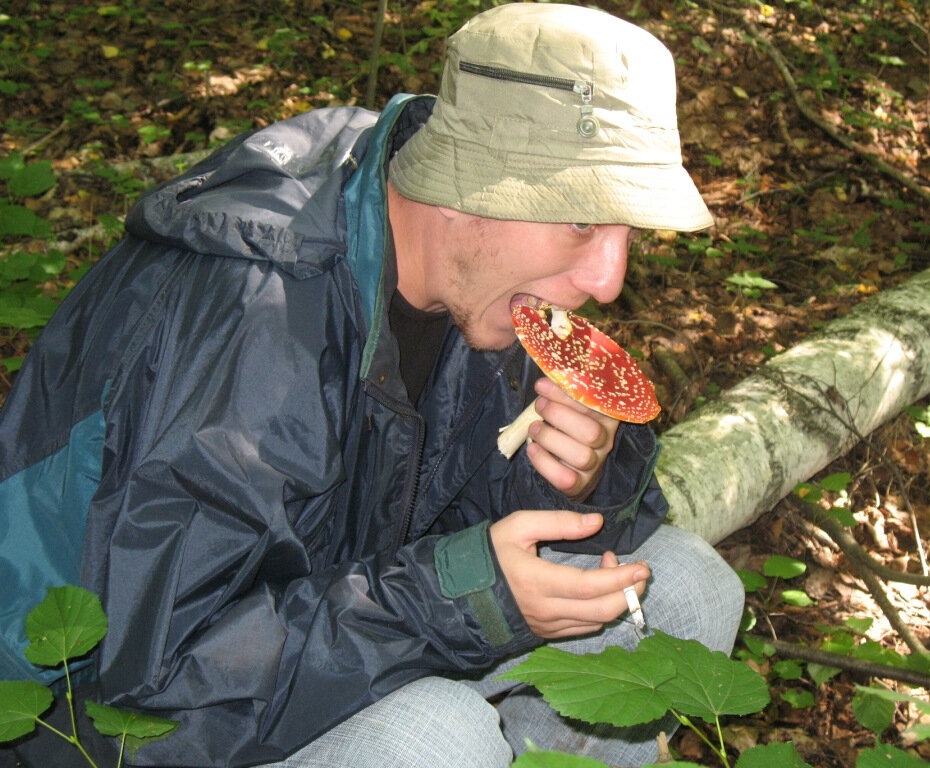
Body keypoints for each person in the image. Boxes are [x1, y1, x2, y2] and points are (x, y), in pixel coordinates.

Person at [0, 4, 743, 767]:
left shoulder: (485, 283)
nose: (609, 280)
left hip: (326, 646)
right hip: (85, 725)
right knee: (435, 736)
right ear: (467, 187)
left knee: (685, 589)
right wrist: (452, 598)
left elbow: (513, 532)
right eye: (584, 222)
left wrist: (581, 476)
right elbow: (157, 685)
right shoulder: (255, 315)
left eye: (628, 232)